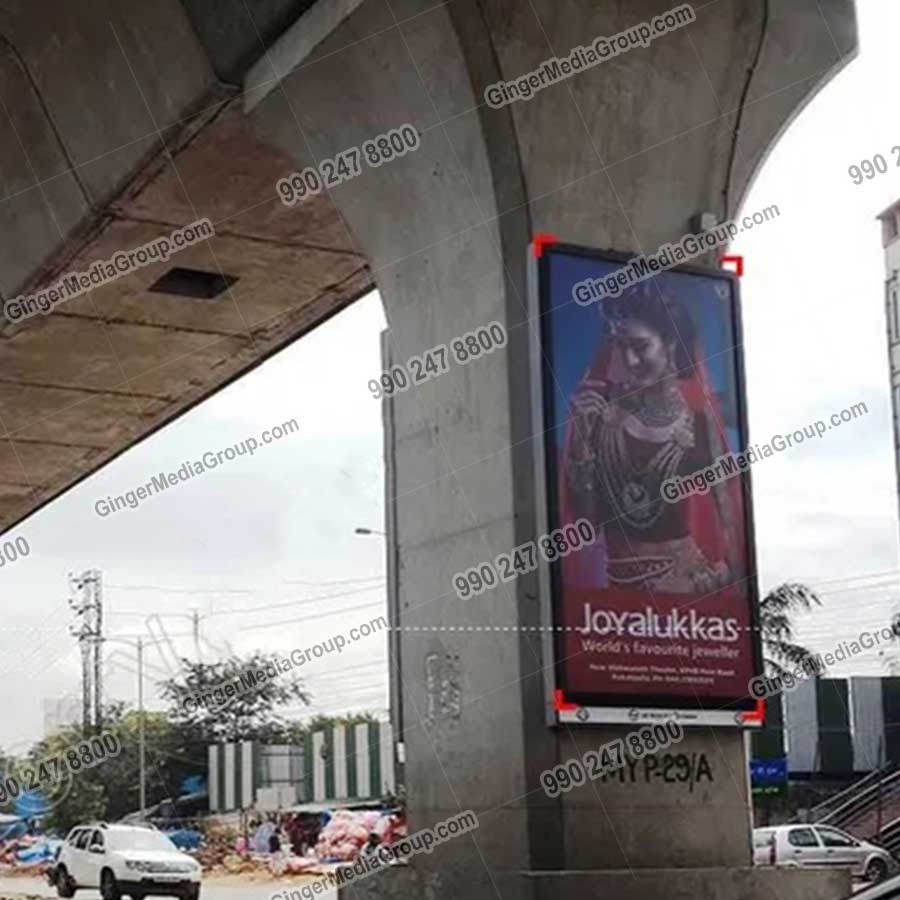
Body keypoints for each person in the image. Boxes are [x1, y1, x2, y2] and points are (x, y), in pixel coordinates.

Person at [562, 281, 743, 595]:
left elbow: (735, 543)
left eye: (641, 346)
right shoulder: (600, 416)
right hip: (614, 601)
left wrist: (710, 581)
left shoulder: (700, 427)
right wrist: (580, 440)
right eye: (621, 345)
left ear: (670, 344)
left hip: (687, 606)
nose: (630, 360)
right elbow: (586, 522)